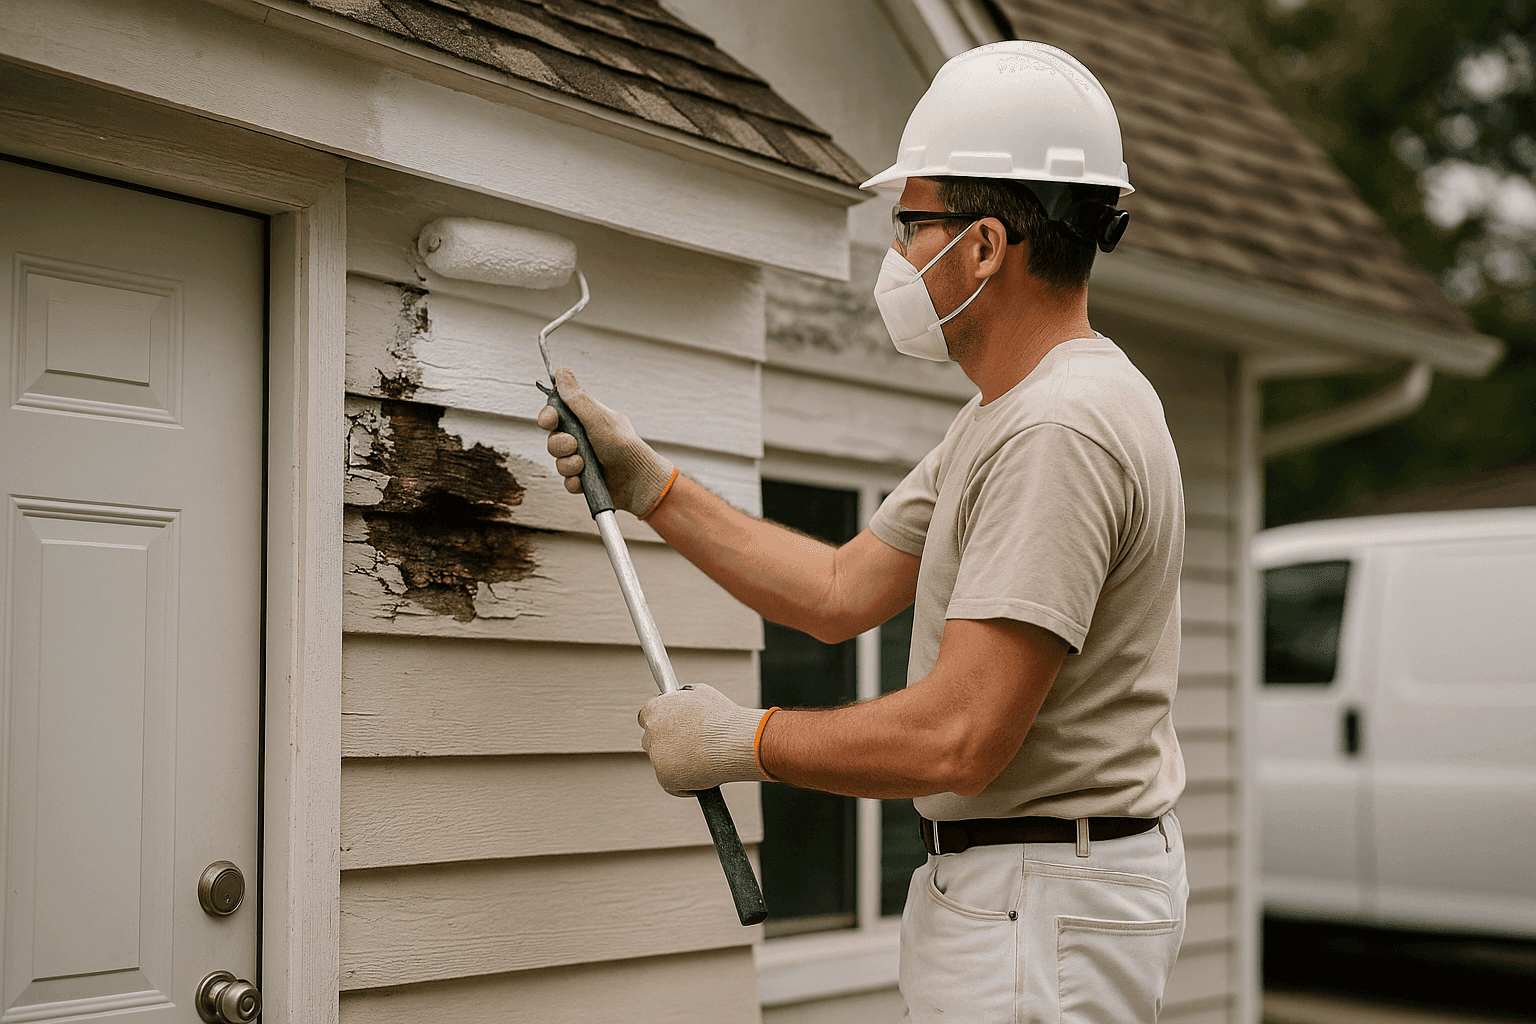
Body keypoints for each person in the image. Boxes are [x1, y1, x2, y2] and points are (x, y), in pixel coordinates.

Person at [538, 40, 1188, 1024]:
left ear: (982, 247)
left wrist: (743, 740)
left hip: (1040, 900)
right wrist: (650, 484)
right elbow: (839, 591)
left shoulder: (1060, 428)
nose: (894, 254)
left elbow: (963, 736)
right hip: (1019, 894)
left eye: (910, 224)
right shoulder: (1008, 414)